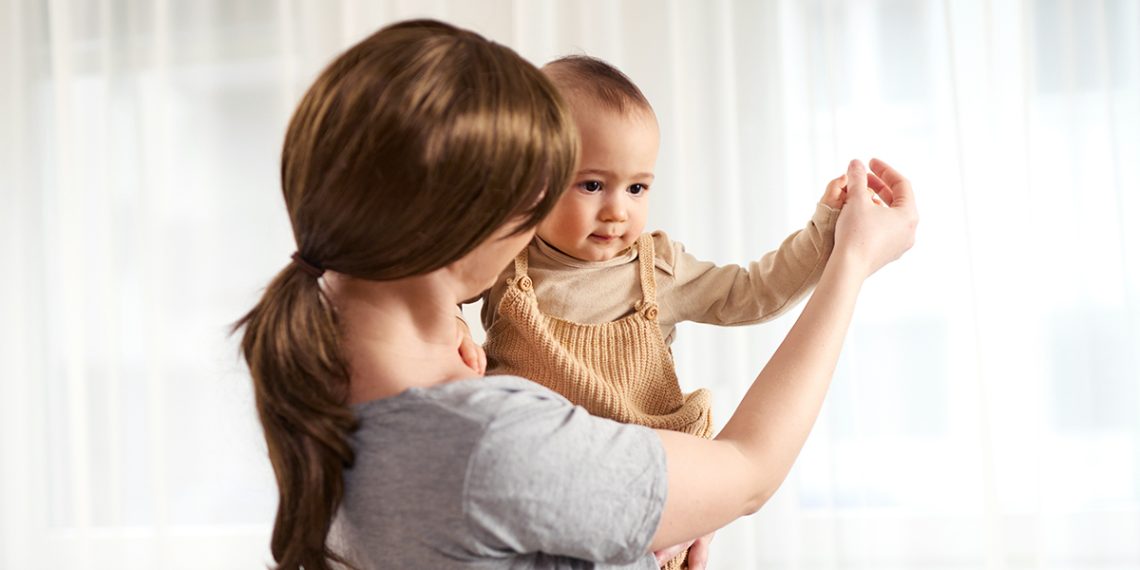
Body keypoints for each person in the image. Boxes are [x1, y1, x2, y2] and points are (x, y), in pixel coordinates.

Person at [235, 18, 917, 570]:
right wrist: (851, 259)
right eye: (560, 183)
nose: (609, 210)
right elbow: (750, 473)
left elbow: (750, 292)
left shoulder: (319, 397)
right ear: (480, 220)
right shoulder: (491, 440)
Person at [466, 55, 849, 569]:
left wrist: (824, 229)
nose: (617, 210)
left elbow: (755, 291)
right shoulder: (502, 259)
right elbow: (425, 295)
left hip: (651, 504)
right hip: (542, 503)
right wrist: (453, 329)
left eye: (637, 187)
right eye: (592, 185)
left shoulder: (658, 267)